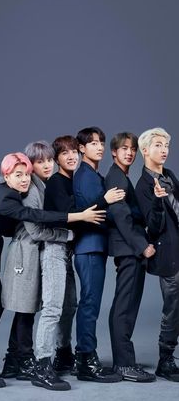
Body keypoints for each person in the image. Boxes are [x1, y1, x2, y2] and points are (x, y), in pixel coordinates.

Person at [0, 152, 105, 389]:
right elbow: (34, 216)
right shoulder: (6, 197)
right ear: (8, 177)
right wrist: (79, 217)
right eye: (18, 175)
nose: (25, 179)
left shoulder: (8, 190)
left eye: (26, 175)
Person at [1, 141, 72, 381]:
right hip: (25, 253)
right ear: (31, 164)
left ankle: (14, 362)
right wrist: (67, 235)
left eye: (50, 160)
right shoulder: (31, 187)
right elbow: (36, 232)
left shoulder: (41, 185)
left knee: (26, 309)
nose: (47, 165)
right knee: (25, 310)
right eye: (40, 161)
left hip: (31, 252)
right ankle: (25, 359)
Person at [72, 127, 125, 383]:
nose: (100, 147)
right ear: (82, 148)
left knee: (89, 303)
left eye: (102, 142)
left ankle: (83, 357)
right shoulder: (84, 174)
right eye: (93, 143)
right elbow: (85, 209)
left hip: (95, 246)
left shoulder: (93, 173)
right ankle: (86, 360)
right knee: (90, 304)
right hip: (89, 246)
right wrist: (105, 199)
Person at [105, 132, 156, 382]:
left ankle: (123, 361)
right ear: (114, 152)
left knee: (125, 304)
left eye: (133, 149)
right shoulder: (115, 177)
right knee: (125, 306)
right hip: (128, 249)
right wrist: (141, 246)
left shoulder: (122, 176)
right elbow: (121, 216)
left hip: (129, 248)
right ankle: (124, 365)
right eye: (124, 148)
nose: (130, 153)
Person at [31, 135, 80, 391]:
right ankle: (42, 365)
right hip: (53, 249)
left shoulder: (72, 181)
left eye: (75, 152)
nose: (71, 157)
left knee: (70, 304)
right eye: (65, 153)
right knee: (52, 307)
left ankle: (63, 353)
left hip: (67, 250)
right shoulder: (52, 185)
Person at [136, 127, 179, 382]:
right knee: (173, 307)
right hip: (168, 254)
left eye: (166, 146)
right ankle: (165, 360)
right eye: (158, 145)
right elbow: (153, 226)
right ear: (145, 150)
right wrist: (157, 202)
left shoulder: (170, 175)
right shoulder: (143, 184)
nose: (164, 150)